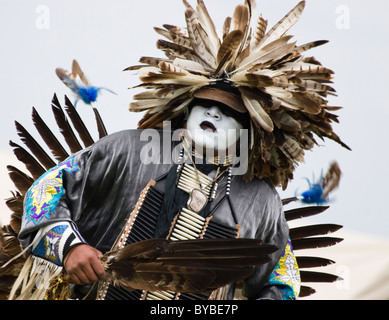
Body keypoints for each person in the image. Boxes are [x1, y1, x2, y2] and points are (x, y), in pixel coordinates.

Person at [8, 0, 348, 300]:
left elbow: (283, 279)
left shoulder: (260, 201)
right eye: (205, 104)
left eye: (230, 111)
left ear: (251, 130)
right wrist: (70, 247)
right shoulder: (128, 151)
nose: (214, 113)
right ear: (186, 109)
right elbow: (46, 191)